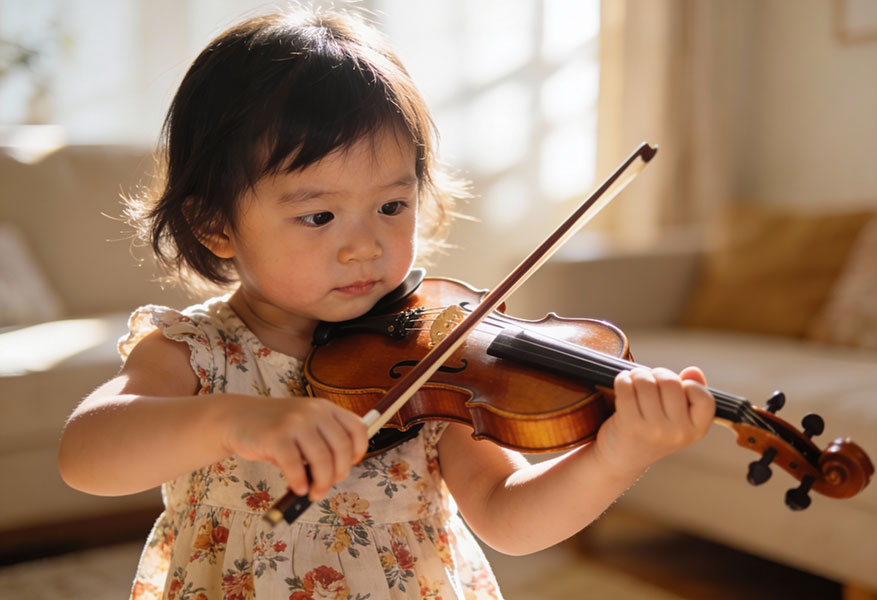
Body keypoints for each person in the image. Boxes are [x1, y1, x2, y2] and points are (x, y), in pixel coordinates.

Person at [58, 6, 715, 599]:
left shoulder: (432, 362)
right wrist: (233, 421)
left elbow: (509, 517)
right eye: (319, 216)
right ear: (215, 226)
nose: (364, 247)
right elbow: (85, 455)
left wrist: (617, 455)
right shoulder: (197, 351)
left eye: (392, 206)